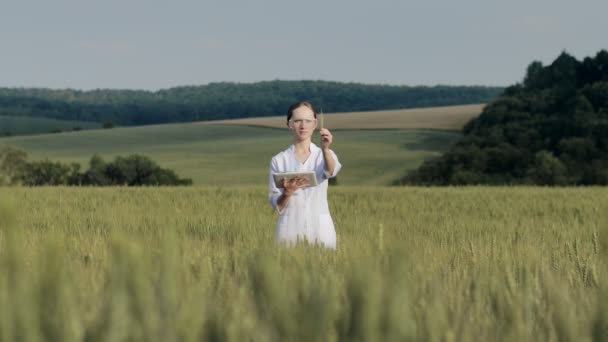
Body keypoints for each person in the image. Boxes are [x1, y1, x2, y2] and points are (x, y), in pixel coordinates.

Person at [268, 101, 342, 249]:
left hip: (320, 231)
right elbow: (277, 205)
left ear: (315, 124)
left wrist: (325, 148)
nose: (303, 126)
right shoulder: (279, 160)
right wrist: (287, 193)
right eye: (297, 121)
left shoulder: (324, 154)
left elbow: (331, 171)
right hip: (289, 232)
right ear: (289, 124)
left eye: (308, 121)